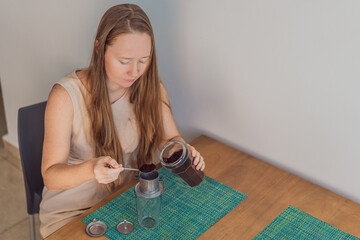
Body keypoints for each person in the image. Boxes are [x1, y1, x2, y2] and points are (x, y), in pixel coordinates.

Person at [39, 4, 205, 238]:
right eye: (124, 60)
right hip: (72, 215)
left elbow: (169, 141)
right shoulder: (65, 97)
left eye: (143, 60)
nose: (134, 72)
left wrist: (183, 151)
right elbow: (51, 176)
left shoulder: (150, 86)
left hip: (125, 201)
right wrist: (91, 169)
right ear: (99, 49)